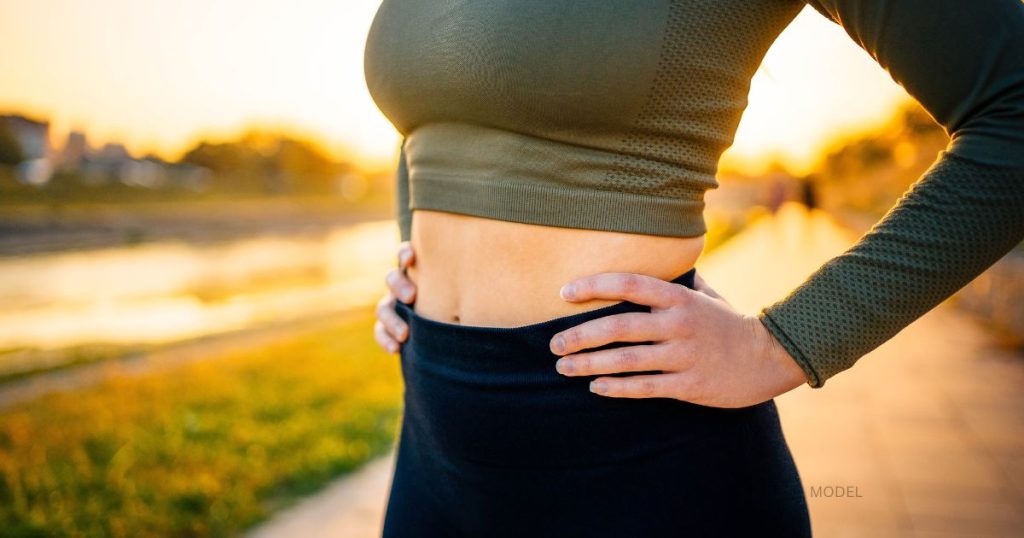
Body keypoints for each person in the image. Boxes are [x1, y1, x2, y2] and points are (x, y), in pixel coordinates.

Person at [364, 0, 1024, 536]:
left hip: (637, 455)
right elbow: (431, 115)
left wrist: (783, 344)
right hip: (434, 443)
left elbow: (1011, 109)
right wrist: (413, 252)